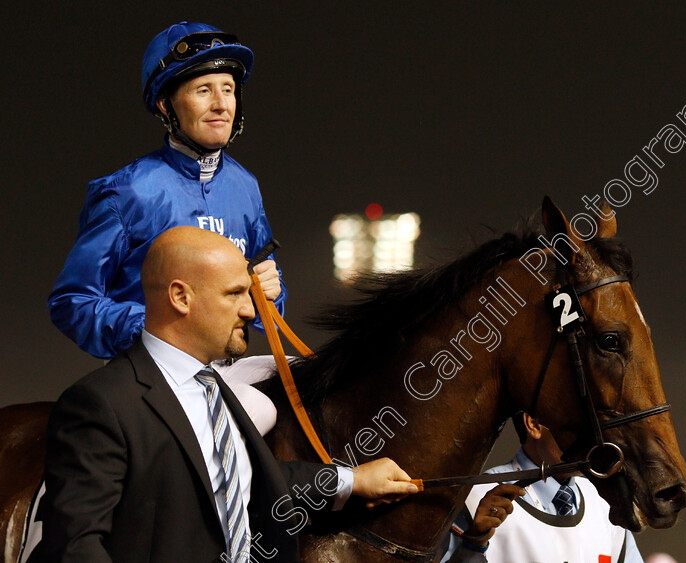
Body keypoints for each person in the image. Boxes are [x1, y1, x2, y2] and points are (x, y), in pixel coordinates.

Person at [30, 227, 419, 562]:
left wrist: (349, 480)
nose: (251, 311)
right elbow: (74, 549)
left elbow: (248, 478)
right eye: (234, 294)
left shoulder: (215, 388)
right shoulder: (101, 403)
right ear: (181, 297)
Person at [47, 21, 282, 433]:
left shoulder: (246, 187)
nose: (221, 104)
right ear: (165, 106)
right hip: (148, 379)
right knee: (255, 409)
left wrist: (269, 297)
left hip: (225, 371)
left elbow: (266, 311)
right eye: (203, 90)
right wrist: (160, 331)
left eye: (228, 89)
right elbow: (71, 302)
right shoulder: (129, 191)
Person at [442, 412, 643, 562]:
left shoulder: (605, 503)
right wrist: (473, 543)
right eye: (576, 422)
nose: (591, 437)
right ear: (534, 424)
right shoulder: (473, 498)